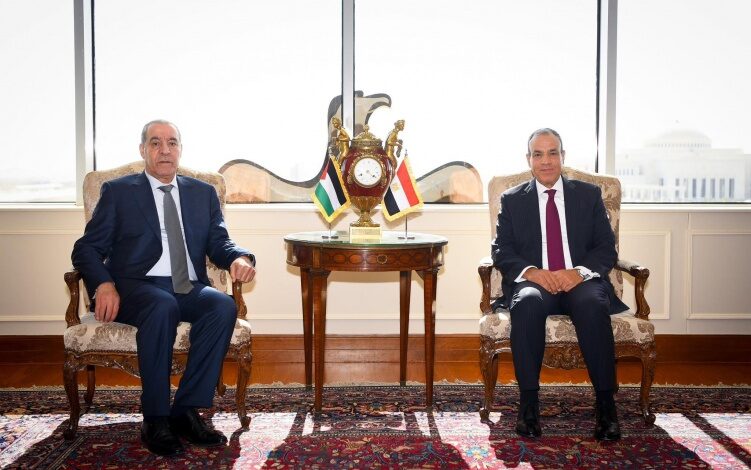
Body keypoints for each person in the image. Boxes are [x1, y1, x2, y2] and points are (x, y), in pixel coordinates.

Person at [72, 120, 256, 456]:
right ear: (143, 150)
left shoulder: (202, 193)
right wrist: (104, 284)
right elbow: (86, 249)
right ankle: (155, 418)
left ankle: (185, 410)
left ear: (180, 150)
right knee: (161, 305)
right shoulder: (119, 192)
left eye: (172, 142)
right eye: (155, 143)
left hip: (186, 284)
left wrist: (238, 257)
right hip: (136, 286)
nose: (164, 150)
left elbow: (219, 241)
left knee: (222, 306)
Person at [491, 128, 628, 441]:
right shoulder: (512, 200)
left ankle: (606, 406)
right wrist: (532, 272)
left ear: (562, 156)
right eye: (538, 154)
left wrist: (578, 272)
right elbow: (501, 250)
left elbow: (606, 247)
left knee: (592, 304)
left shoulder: (588, 195)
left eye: (552, 153)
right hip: (537, 283)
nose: (546, 161)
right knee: (526, 302)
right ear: (529, 159)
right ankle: (528, 405)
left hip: (580, 281)